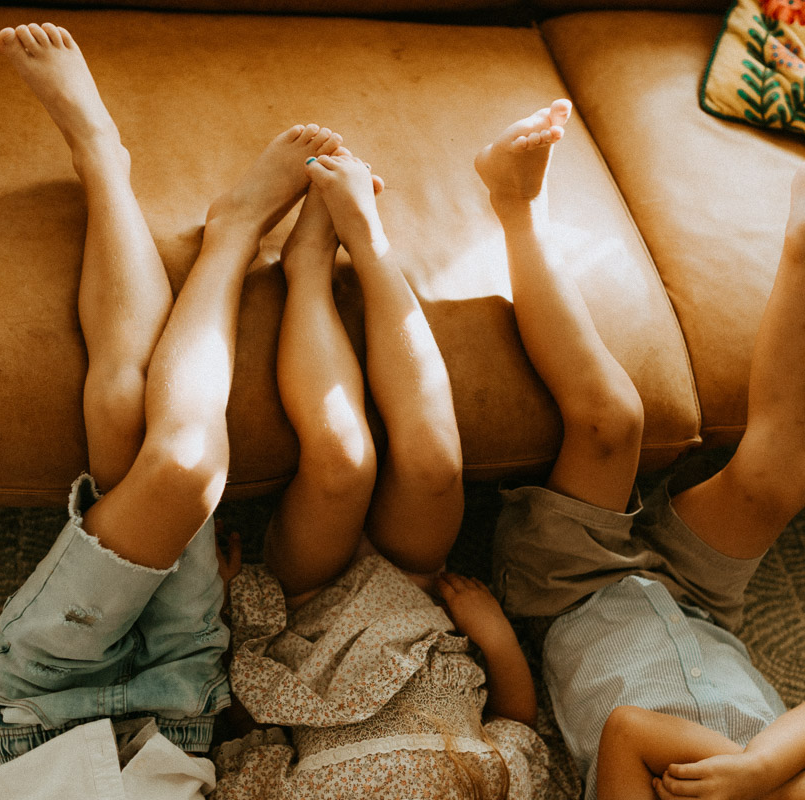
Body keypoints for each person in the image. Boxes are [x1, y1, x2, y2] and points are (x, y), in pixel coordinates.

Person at [484, 99, 805, 800]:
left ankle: (515, 203)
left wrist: (768, 780)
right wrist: (762, 770)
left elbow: (629, 732)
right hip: (698, 601)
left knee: (612, 424)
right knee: (778, 481)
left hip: (566, 589)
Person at [0, 23, 351, 798]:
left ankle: (192, 211)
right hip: (183, 703)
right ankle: (138, 183)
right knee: (127, 417)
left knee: (174, 461)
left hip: (45, 707)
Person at [208, 118, 575, 800]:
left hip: (306, 605)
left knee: (343, 464)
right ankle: (371, 245)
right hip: (417, 588)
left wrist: (230, 611)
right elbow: (518, 729)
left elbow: (247, 739)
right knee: (434, 465)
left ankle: (307, 268)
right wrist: (496, 638)